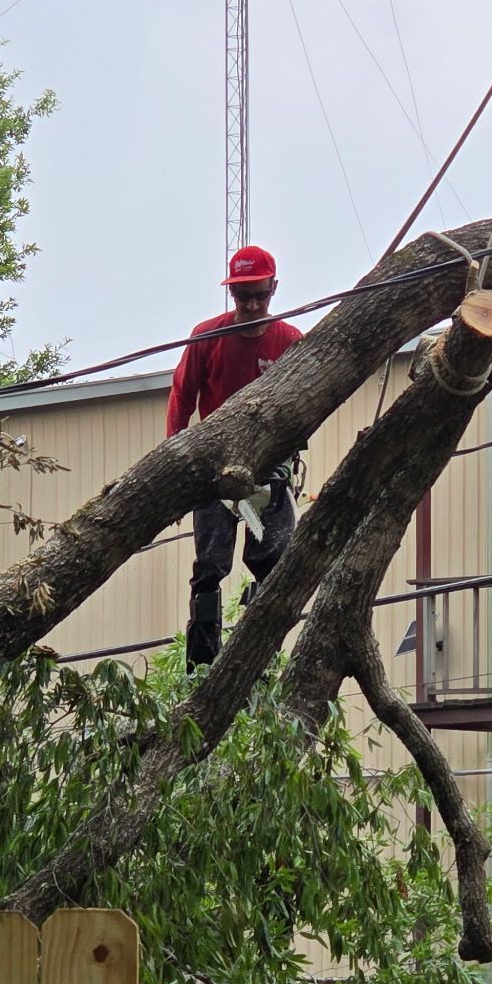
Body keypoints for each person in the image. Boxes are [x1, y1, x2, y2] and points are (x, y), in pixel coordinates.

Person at [166, 245, 303, 671]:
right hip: (214, 467)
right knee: (210, 562)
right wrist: (175, 463)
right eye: (242, 297)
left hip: (270, 468)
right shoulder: (208, 336)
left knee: (273, 557)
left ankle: (257, 651)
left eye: (259, 295)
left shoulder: (290, 342)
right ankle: (204, 662)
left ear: (273, 289)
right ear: (231, 294)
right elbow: (182, 398)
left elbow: (306, 404)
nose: (251, 305)